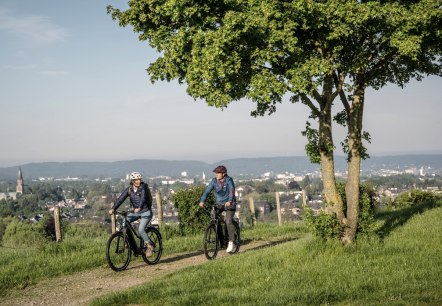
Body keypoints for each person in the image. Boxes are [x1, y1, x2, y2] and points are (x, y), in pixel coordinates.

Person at [109, 171, 154, 256]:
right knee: (124, 222)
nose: (138, 181)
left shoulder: (143, 187)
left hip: (146, 212)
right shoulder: (130, 189)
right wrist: (113, 208)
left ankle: (149, 245)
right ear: (132, 181)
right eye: (136, 180)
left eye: (139, 179)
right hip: (136, 212)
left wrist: (139, 207)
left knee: (141, 230)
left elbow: (143, 198)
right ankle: (127, 241)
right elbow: (121, 199)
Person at [199, 165, 237, 253]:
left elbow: (232, 190)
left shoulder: (229, 180)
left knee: (228, 221)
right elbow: (207, 191)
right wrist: (202, 201)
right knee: (214, 217)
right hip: (219, 204)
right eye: (216, 173)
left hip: (229, 204)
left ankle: (231, 242)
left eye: (218, 173)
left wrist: (230, 200)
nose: (216, 175)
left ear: (223, 174)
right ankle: (222, 241)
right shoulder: (214, 181)